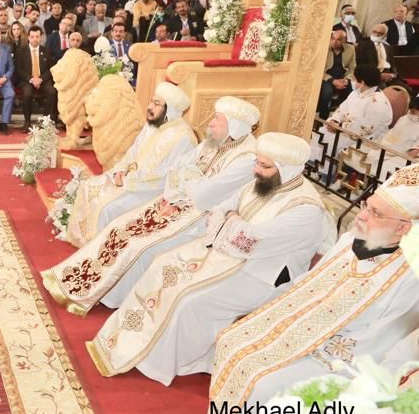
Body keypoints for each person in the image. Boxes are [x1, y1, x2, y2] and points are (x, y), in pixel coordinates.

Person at [205, 164, 419, 414]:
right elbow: (309, 282)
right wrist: (270, 312)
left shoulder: (410, 276)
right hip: (303, 325)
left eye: (376, 213)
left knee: (264, 384)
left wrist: (313, 346)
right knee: (231, 341)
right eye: (366, 206)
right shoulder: (351, 240)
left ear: (404, 227)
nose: (362, 216)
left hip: (339, 358)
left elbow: (380, 342)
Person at [89, 132, 335, 385]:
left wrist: (232, 220)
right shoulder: (266, 181)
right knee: (162, 264)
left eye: (264, 165)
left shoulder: (306, 210)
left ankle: (162, 362)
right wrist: (232, 220)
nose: (256, 170)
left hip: (263, 276)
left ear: (288, 168)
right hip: (228, 255)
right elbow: (221, 209)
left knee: (187, 299)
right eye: (257, 162)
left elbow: (249, 240)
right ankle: (130, 343)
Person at [42, 96, 259, 316]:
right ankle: (89, 285)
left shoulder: (245, 159)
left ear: (234, 125)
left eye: (218, 119)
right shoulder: (213, 141)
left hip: (200, 220)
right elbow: (177, 168)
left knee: (140, 246)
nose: (211, 122)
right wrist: (183, 184)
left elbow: (204, 197)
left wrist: (185, 181)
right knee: (119, 227)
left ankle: (113, 296)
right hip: (175, 201)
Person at [64, 82, 197, 248]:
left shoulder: (183, 138)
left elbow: (168, 178)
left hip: (150, 192)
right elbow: (132, 153)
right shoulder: (153, 124)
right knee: (88, 186)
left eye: (156, 104)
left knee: (107, 209)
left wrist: (129, 180)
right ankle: (85, 244)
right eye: (152, 101)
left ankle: (100, 253)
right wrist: (119, 171)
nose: (149, 107)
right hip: (129, 180)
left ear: (170, 109)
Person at [310, 66, 393, 172]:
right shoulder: (357, 92)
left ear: (362, 82)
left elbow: (367, 128)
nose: (353, 81)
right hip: (345, 129)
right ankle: (314, 167)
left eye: (355, 79)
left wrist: (340, 127)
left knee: (331, 143)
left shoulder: (378, 101)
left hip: (363, 137)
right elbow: (343, 108)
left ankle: (326, 174)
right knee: (320, 133)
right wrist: (335, 120)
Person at [14, 26, 57, 131]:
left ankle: (45, 121)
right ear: (28, 37)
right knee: (27, 93)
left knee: (51, 92)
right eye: (32, 37)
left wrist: (41, 79)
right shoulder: (21, 51)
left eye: (37, 36)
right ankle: (27, 122)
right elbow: (19, 69)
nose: (35, 39)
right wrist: (32, 79)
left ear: (41, 37)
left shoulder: (46, 51)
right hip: (27, 80)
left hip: (43, 79)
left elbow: (51, 69)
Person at [317, 30, 357, 118]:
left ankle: (341, 118)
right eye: (333, 38)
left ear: (344, 41)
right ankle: (322, 117)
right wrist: (333, 81)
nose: (334, 42)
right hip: (327, 77)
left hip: (343, 77)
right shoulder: (324, 47)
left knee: (352, 94)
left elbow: (352, 67)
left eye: (338, 40)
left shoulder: (350, 49)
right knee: (327, 92)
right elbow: (318, 69)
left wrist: (346, 79)